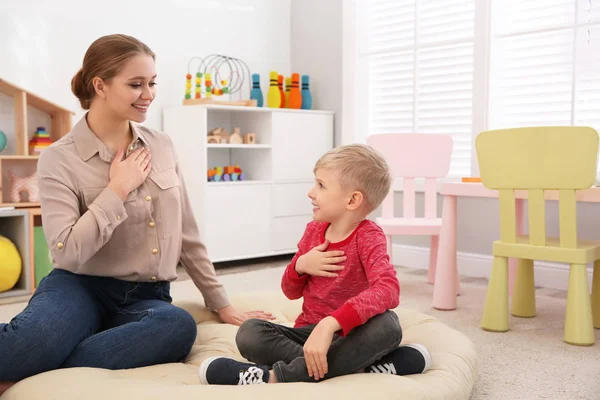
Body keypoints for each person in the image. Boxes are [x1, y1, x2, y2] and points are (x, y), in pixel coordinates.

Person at [0, 34, 272, 385]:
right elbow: (66, 253)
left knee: (177, 327)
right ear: (100, 85)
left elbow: (186, 232)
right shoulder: (58, 158)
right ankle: (41, 350)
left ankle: (37, 369)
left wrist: (220, 301)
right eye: (136, 84)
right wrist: (117, 189)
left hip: (147, 296)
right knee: (30, 343)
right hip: (79, 287)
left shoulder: (161, 144)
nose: (149, 94)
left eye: (152, 83)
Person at [198, 144, 431, 385]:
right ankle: (357, 368)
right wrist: (301, 266)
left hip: (353, 333)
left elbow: (388, 289)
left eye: (321, 185)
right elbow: (290, 292)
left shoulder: (368, 236)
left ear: (352, 200)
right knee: (250, 332)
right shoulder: (313, 232)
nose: (311, 192)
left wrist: (331, 323)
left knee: (388, 325)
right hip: (307, 335)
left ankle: (273, 377)